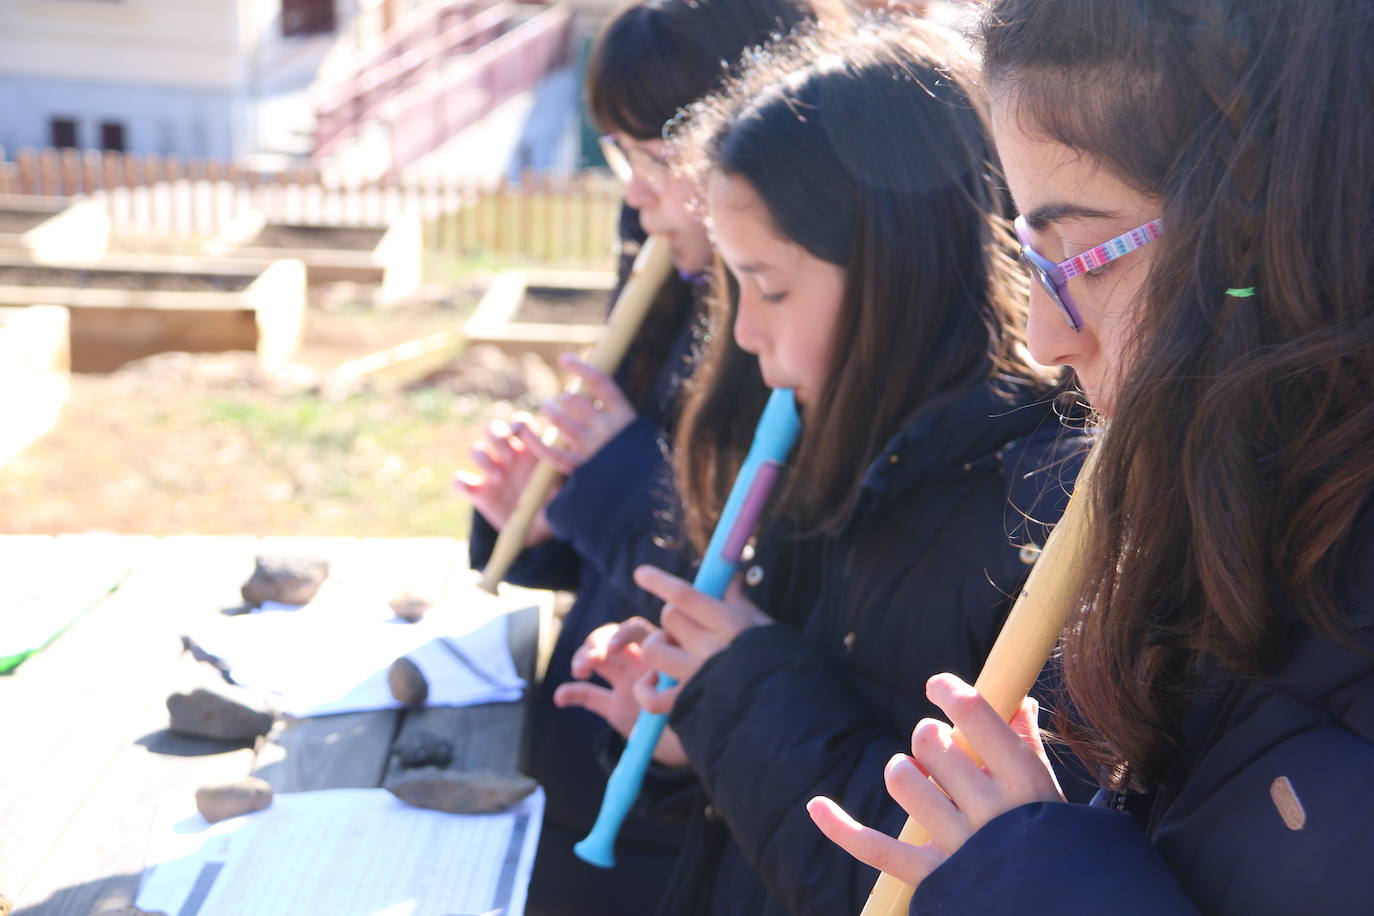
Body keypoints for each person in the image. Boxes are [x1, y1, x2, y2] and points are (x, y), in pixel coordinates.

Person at [809, 2, 1374, 913]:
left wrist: (1032, 878)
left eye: (1082, 255)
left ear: (1261, 235)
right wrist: (1042, 841)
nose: (1043, 338)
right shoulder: (1227, 519)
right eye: (1034, 256)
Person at [554, 20, 1091, 916]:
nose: (744, 333)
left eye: (767, 288)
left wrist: (737, 686)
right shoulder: (841, 449)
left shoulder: (1039, 517)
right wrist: (694, 739)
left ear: (897, 270)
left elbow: (909, 878)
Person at [456, 1, 821, 913]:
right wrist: (542, 519)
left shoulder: (783, 328)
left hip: (680, 815)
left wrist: (613, 472)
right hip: (595, 744)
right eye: (621, 155)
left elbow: (741, 567)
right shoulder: (672, 278)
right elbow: (624, 553)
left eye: (658, 160)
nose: (635, 192)